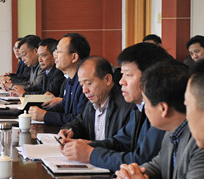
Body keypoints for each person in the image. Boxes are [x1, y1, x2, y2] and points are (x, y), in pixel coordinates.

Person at [113, 59, 204, 179]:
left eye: (146, 103)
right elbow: (157, 165)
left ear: (163, 108)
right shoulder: (172, 131)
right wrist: (132, 174)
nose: (145, 109)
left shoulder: (203, 141)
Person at [62, 42, 168, 171]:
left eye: (128, 75)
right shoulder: (139, 108)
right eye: (122, 74)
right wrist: (89, 145)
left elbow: (141, 160)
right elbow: (121, 141)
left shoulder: (160, 112)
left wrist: (91, 154)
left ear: (150, 77)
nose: (121, 81)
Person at [59, 56, 134, 141]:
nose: (84, 90)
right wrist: (70, 130)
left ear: (108, 79)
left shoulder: (126, 107)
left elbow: (120, 144)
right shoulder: (93, 102)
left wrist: (89, 146)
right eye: (82, 85)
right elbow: (79, 122)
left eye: (89, 83)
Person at [29, 33, 89, 125]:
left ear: (74, 57)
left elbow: (80, 119)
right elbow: (64, 105)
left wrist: (45, 116)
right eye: (55, 52)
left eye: (59, 52)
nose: (55, 56)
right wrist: (40, 112)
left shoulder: (85, 83)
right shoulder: (70, 79)